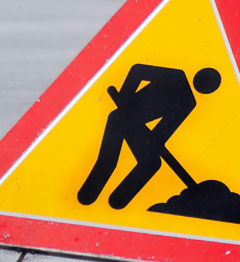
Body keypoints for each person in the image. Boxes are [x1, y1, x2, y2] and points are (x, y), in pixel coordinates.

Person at [77, 64, 221, 210]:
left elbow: (163, 131)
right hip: (120, 117)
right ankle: (87, 195)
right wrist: (125, 99)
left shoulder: (188, 102)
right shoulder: (176, 77)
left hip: (135, 126)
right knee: (108, 160)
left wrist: (152, 140)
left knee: (151, 163)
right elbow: (137, 71)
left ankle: (117, 200)